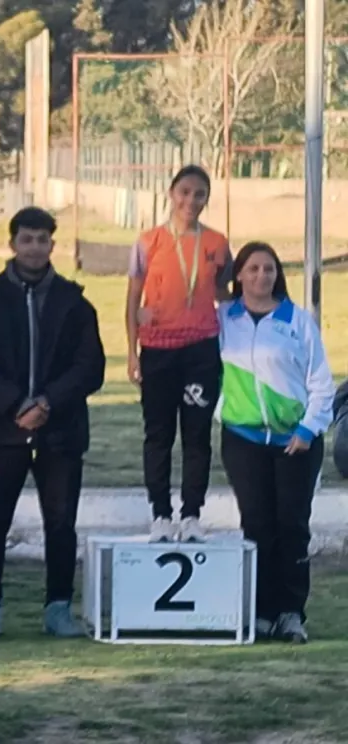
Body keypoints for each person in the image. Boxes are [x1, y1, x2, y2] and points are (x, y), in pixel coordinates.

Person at [0, 207, 106, 639]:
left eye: (42, 240)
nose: (35, 248)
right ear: (12, 244)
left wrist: (46, 403)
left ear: (52, 246)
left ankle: (58, 607)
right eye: (27, 240)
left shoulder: (75, 304)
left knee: (60, 524)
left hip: (59, 432)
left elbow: (89, 367)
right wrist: (14, 406)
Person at [216, 242, 334, 644]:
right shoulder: (224, 319)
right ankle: (261, 611)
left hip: (295, 443)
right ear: (239, 276)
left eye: (268, 269)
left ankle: (290, 612)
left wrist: (307, 430)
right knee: (257, 527)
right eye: (252, 269)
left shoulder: (297, 321)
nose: (261, 276)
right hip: (243, 439)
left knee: (292, 526)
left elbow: (321, 381)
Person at [125, 165, 234, 543]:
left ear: (206, 199)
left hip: (201, 352)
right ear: (171, 194)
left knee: (197, 434)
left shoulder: (217, 244)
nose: (191, 200)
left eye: (199, 194)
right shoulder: (147, 241)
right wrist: (131, 351)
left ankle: (190, 515)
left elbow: (222, 291)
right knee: (158, 434)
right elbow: (132, 297)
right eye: (185, 192)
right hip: (157, 351)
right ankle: (160, 515)